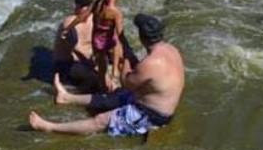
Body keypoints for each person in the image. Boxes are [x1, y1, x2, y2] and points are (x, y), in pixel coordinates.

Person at [29, 13, 185, 137]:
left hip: (151, 117)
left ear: (142, 38)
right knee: (114, 96)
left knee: (100, 120)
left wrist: (122, 60)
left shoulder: (151, 63)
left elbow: (126, 83)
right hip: (151, 104)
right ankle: (67, 97)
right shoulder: (171, 49)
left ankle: (49, 127)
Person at [53, 0, 100, 91]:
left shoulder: (94, 18)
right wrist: (94, 66)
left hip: (85, 60)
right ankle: (76, 92)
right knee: (97, 78)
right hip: (68, 64)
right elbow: (76, 50)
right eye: (81, 6)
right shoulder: (69, 23)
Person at [89, 0, 125, 92]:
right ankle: (115, 74)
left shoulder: (97, 3)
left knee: (101, 68)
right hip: (108, 39)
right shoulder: (115, 12)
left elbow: (83, 16)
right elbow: (120, 33)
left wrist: (69, 28)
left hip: (96, 39)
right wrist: (127, 49)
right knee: (117, 43)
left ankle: (102, 87)